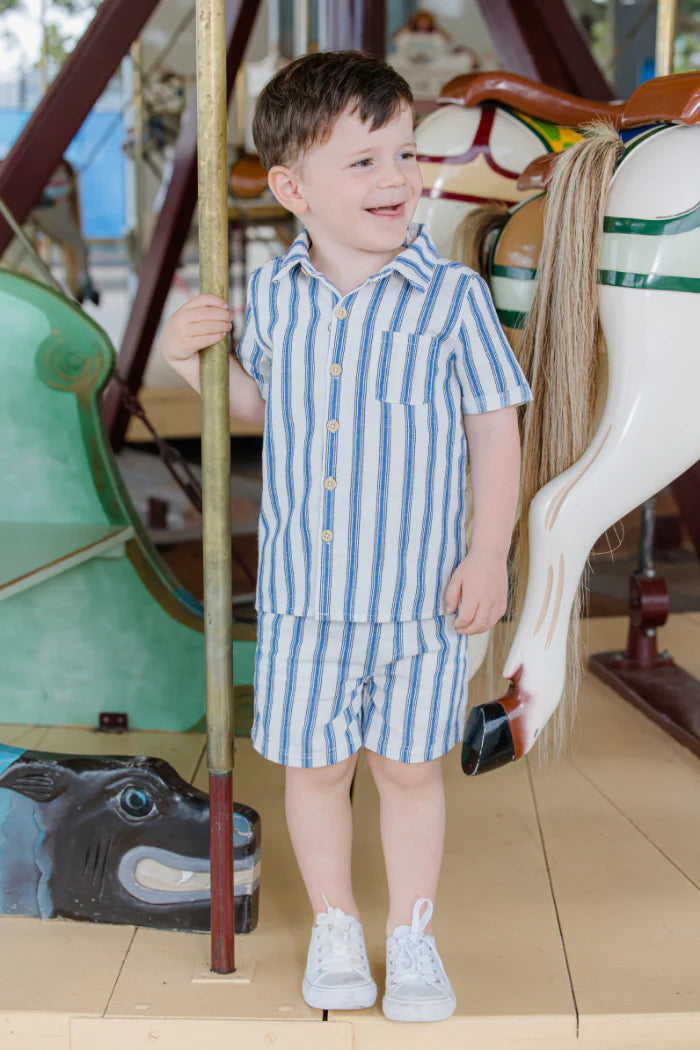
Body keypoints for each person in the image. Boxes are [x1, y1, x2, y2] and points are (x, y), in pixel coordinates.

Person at [161, 50, 532, 1023]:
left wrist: (487, 551)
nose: (397, 179)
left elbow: (494, 424)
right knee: (316, 770)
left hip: (417, 599)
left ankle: (411, 936)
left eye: (404, 155)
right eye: (364, 161)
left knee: (409, 771)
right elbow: (258, 405)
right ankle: (334, 924)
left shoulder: (450, 299)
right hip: (302, 599)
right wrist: (192, 358)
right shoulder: (276, 298)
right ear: (293, 189)